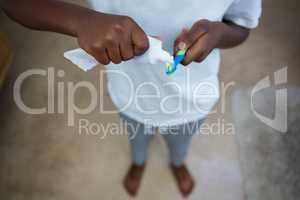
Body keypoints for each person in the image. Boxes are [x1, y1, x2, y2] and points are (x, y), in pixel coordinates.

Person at [2, 0, 261, 197]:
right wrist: (79, 20)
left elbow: (241, 26)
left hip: (192, 99)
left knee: (181, 140)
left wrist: (218, 34)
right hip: (131, 95)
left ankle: (177, 162)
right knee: (137, 137)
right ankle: (138, 162)